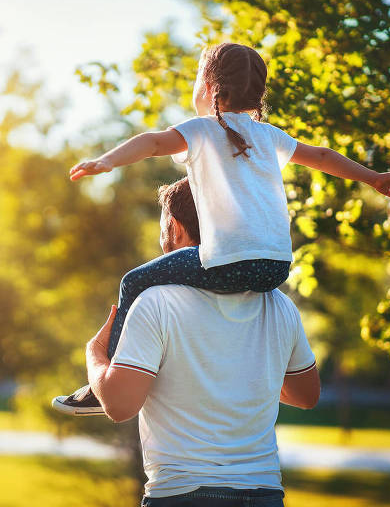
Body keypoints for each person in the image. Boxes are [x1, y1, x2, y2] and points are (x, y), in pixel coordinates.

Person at [52, 43, 390, 415]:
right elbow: (322, 156)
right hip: (276, 269)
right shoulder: (269, 135)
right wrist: (374, 178)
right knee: (195, 271)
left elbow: (153, 142)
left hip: (228, 263)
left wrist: (106, 161)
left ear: (209, 88)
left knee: (133, 282)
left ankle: (108, 379)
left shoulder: (203, 130)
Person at [86, 177, 320, 506]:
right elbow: (306, 395)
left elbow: (119, 405)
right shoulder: (279, 304)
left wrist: (95, 357)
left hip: (185, 494)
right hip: (265, 493)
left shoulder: (155, 302)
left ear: (176, 228)